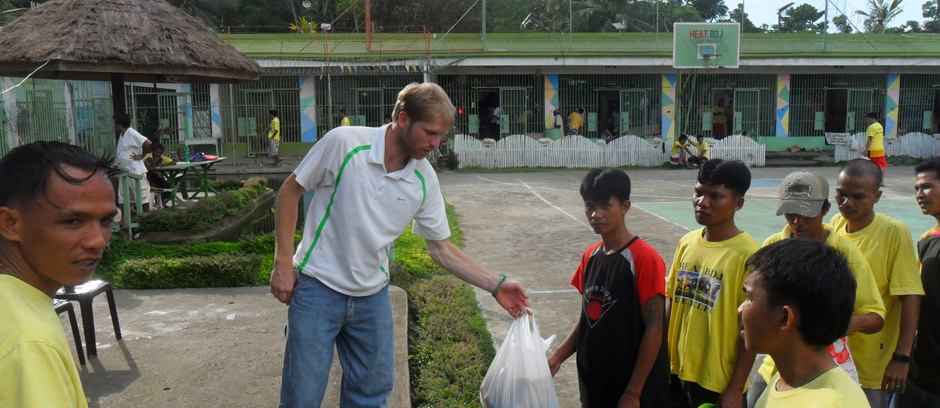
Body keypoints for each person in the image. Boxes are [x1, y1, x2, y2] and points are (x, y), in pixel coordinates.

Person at [270, 82, 530, 407]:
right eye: (431, 133)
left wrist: (496, 285)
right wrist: (283, 263)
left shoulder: (424, 179)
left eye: (441, 136)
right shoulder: (345, 144)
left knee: (371, 398)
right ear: (404, 119)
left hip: (371, 300)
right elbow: (290, 192)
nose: (436, 144)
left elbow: (441, 249)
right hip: (317, 289)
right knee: (301, 398)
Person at [747, 170, 886, 406]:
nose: (796, 221)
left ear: (825, 209)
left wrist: (841, 324)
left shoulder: (844, 254)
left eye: (805, 213)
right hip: (773, 369)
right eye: (790, 212)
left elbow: (876, 316)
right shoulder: (774, 245)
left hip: (818, 370)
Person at [0, 141, 118, 408]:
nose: (98, 241)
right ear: (10, 224)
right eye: (72, 221)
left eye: (106, 221)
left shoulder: (16, 305)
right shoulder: (28, 341)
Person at [547, 167, 670, 407]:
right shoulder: (590, 256)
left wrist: (634, 392)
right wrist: (558, 357)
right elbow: (589, 316)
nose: (596, 214)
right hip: (593, 381)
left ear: (625, 207)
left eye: (606, 206)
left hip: (628, 387)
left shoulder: (644, 258)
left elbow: (655, 328)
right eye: (589, 206)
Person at [829, 159, 924, 408]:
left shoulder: (893, 232)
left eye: (858, 197)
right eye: (841, 194)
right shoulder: (835, 226)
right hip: (835, 358)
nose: (846, 203)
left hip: (872, 361)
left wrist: (902, 357)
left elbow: (910, 295)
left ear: (877, 196)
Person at [666, 159, 757, 408]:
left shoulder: (748, 255)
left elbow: (750, 328)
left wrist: (735, 388)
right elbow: (671, 300)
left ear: (737, 203)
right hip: (676, 373)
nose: (702, 203)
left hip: (716, 384)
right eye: (698, 192)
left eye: (715, 197)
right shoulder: (687, 243)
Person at [740, 238, 870, 407]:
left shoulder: (836, 403)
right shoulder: (785, 380)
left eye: (749, 298)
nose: (740, 310)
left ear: (785, 318)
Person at [898, 158, 940, 406]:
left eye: (926, 187)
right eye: (916, 189)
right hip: (921, 369)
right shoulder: (927, 239)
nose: (919, 195)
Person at [113, 112, 151, 221]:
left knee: (142, 195)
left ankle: (147, 218)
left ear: (119, 124)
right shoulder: (122, 135)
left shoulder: (132, 133)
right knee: (123, 197)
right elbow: (123, 152)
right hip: (124, 171)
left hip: (135, 171)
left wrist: (142, 156)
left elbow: (148, 143)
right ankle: (124, 219)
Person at [864, 112, 888, 184]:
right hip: (880, 149)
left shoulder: (871, 128)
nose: (867, 121)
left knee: (871, 165)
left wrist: (866, 150)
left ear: (872, 118)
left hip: (873, 150)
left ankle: (873, 180)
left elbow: (869, 139)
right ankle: (881, 181)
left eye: (868, 119)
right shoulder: (880, 126)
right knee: (881, 165)